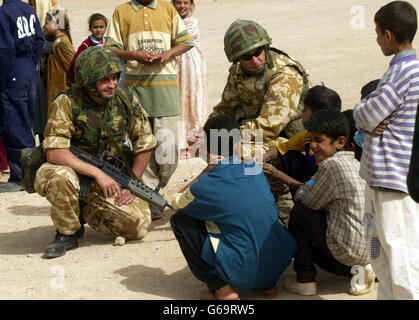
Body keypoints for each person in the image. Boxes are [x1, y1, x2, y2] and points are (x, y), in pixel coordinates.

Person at [34, 46, 156, 258]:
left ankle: (86, 210)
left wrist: (133, 183)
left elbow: (144, 142)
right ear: (89, 83)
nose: (112, 85)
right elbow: (54, 151)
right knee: (61, 176)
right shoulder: (67, 102)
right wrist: (97, 174)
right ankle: (67, 232)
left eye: (115, 77)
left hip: (108, 178)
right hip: (72, 170)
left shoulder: (124, 99)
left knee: (138, 226)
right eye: (104, 80)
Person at [170, 113, 297, 300]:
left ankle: (221, 289)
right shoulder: (255, 171)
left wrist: (205, 172)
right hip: (279, 265)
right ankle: (268, 286)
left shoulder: (205, 185)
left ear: (205, 145)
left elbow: (176, 202)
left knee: (181, 220)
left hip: (243, 273)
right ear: (238, 145)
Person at [353, 1, 419, 300]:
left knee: (398, 250)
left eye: (378, 33)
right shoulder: (410, 70)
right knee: (381, 244)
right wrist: (371, 120)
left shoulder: (400, 73)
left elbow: (366, 115)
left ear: (389, 35)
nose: (377, 38)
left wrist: (364, 116)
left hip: (392, 177)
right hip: (390, 177)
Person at [106, 0, 195, 220]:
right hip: (135, 92)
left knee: (168, 147)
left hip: (166, 91)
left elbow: (186, 42)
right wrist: (134, 55)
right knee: (141, 146)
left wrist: (168, 54)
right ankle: (149, 195)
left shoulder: (167, 9)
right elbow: (110, 49)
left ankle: (157, 187)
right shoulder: (121, 12)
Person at [282, 110, 375, 296]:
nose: (312, 146)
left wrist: (301, 183)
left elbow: (307, 199)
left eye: (318, 140)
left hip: (348, 254)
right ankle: (363, 269)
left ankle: (305, 279)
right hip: (372, 252)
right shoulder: (356, 164)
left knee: (299, 212)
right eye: (310, 140)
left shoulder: (331, 166)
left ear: (340, 142)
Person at [209, 19, 310, 162]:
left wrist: (226, 139)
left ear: (266, 47)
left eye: (257, 52)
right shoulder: (238, 72)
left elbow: (270, 126)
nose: (255, 60)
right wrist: (207, 132)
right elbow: (225, 109)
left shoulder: (284, 73)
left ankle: (277, 184)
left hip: (290, 141)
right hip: (256, 134)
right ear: (237, 59)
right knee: (212, 146)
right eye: (247, 57)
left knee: (237, 153)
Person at [262, 85, 342, 198]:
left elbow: (310, 190)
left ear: (316, 117)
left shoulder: (329, 158)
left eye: (304, 110)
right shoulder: (308, 135)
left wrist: (275, 173)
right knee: (290, 157)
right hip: (310, 182)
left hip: (317, 194)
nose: (301, 113)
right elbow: (281, 148)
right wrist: (265, 157)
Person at [0, 0, 44, 192]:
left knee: (14, 123)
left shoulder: (5, 12)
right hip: (27, 70)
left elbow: (5, 50)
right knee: (25, 121)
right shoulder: (27, 9)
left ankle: (21, 177)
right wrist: (29, 64)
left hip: (13, 71)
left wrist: (4, 77)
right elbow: (39, 40)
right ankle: (29, 175)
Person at [171, 0, 208, 158]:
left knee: (193, 100)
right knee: (178, 101)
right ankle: (179, 142)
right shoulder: (171, 21)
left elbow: (179, 40)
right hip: (175, 64)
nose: (182, 6)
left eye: (185, 3)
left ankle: (196, 140)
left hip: (191, 65)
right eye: (178, 3)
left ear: (191, 5)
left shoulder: (191, 22)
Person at [44, 7, 74, 117]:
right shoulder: (57, 42)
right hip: (56, 95)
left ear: (56, 24)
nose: (45, 26)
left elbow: (73, 67)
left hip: (61, 96)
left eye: (47, 23)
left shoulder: (61, 44)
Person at [68, 13, 108, 83]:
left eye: (101, 27)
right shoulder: (85, 45)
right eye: (95, 27)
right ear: (90, 28)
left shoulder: (108, 42)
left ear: (106, 27)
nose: (98, 30)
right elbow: (75, 64)